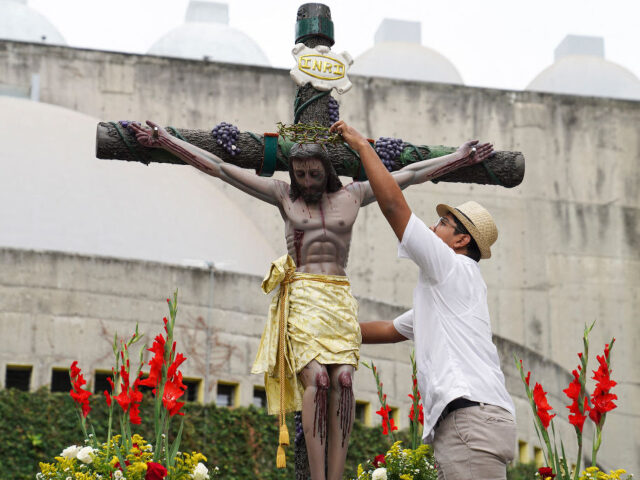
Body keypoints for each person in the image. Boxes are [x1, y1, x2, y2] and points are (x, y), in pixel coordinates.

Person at [129, 120, 492, 480]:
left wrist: (458, 157)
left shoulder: (351, 196)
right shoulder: (284, 195)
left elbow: (410, 174)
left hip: (338, 295)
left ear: (327, 171)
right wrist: (166, 141)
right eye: (299, 173)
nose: (306, 181)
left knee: (345, 382)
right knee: (318, 380)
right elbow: (223, 169)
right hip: (302, 292)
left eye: (314, 174)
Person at [332, 119, 516, 480]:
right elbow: (387, 329)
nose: (434, 229)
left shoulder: (451, 268)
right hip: (478, 419)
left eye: (444, 224)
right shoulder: (450, 296)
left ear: (462, 241)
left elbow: (394, 207)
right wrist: (329, 332)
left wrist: (363, 147)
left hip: (469, 420)